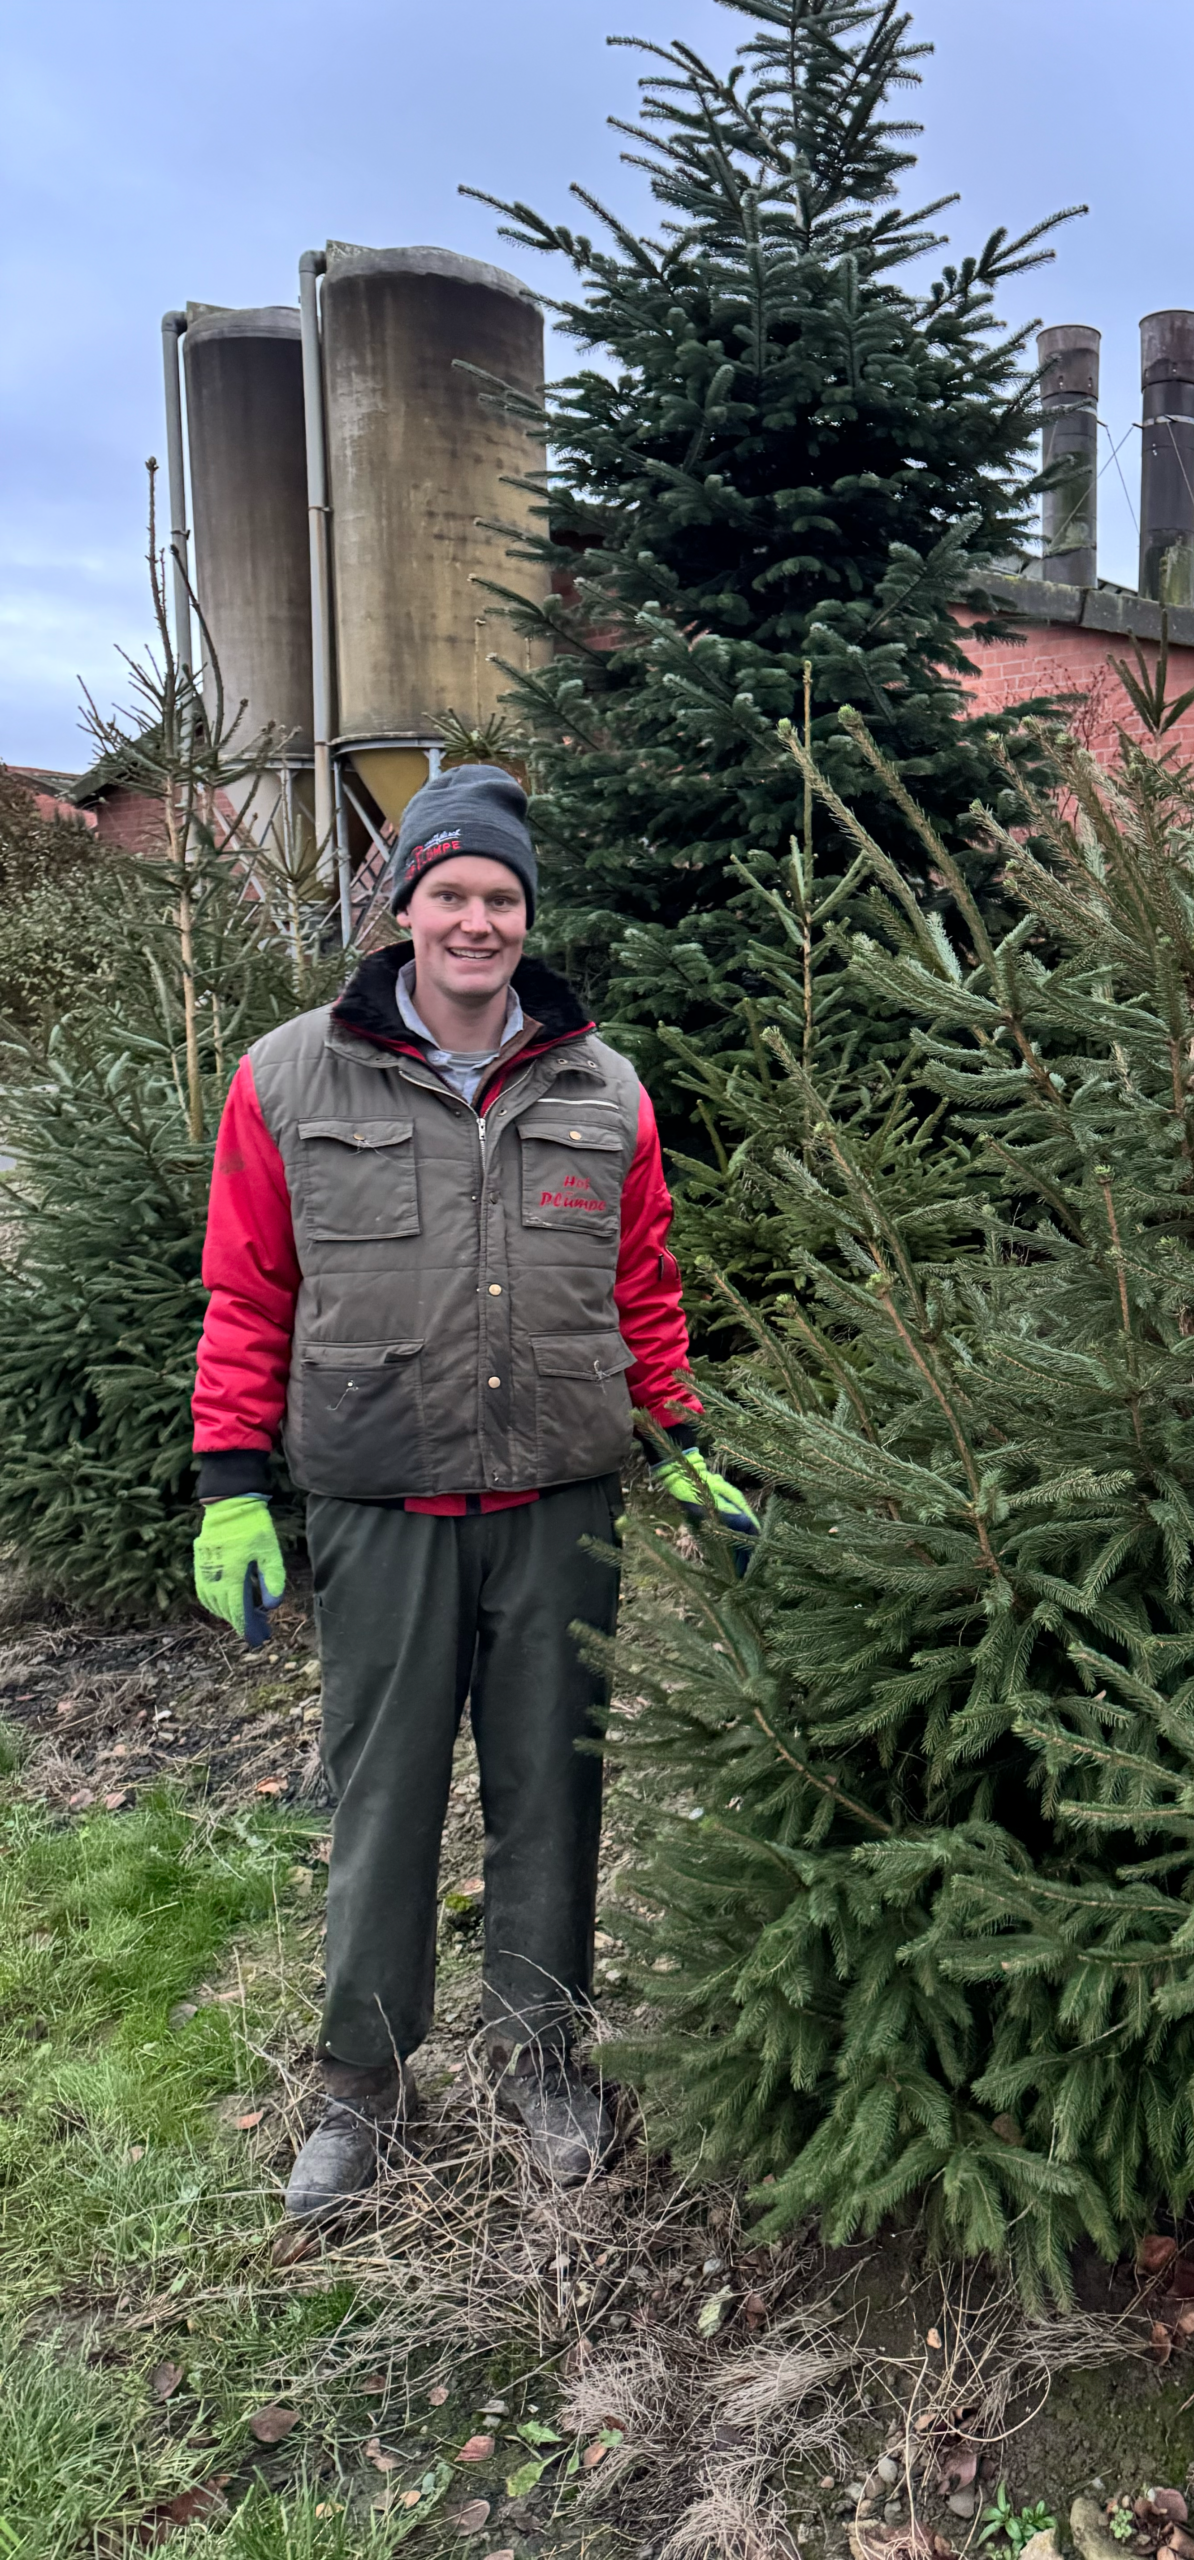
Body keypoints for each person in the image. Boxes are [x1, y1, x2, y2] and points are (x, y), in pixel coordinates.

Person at [188, 763, 755, 2218]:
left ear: (526, 917)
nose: (477, 920)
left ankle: (545, 2052)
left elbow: (642, 1292)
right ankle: (360, 2085)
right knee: (382, 1792)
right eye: (451, 892)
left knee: (554, 1787)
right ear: (402, 910)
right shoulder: (289, 1076)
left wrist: (686, 1448)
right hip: (380, 1503)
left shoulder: (601, 1088)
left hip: (560, 1503)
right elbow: (247, 1294)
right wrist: (231, 1486)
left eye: (501, 897)